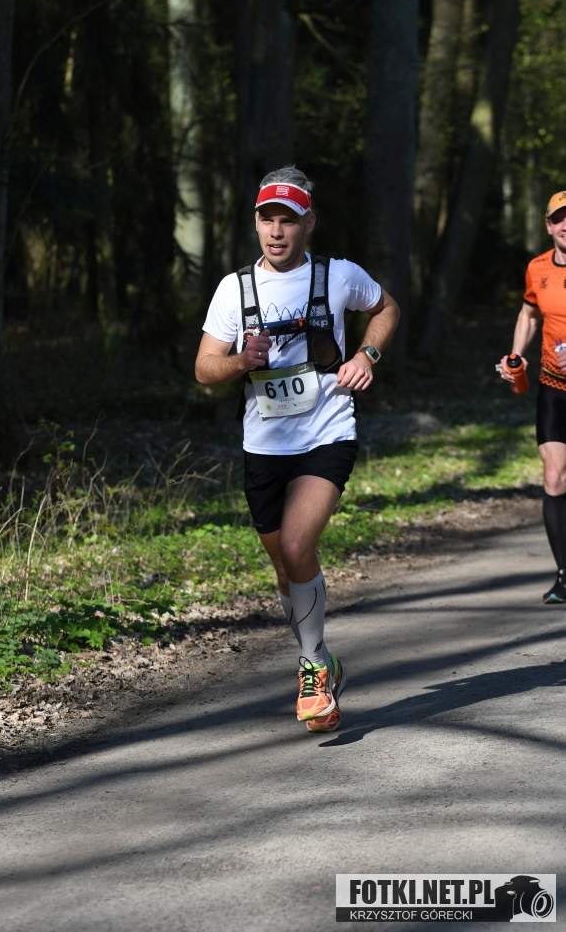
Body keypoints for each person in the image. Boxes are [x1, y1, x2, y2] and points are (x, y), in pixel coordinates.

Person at [195, 167, 399, 732]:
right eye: (268, 219)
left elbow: (386, 309)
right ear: (256, 222)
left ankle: (311, 669)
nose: (277, 231)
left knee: (295, 544)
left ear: (309, 222)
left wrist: (367, 357)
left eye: (288, 220)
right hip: (263, 444)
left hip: (327, 433)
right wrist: (241, 361)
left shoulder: (339, 276)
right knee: (287, 570)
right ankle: (325, 657)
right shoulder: (234, 289)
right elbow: (204, 368)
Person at [498, 191, 566, 604]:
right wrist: (515, 356)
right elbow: (528, 314)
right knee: (554, 475)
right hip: (554, 386)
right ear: (548, 225)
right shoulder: (537, 268)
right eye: (559, 218)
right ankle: (564, 575)